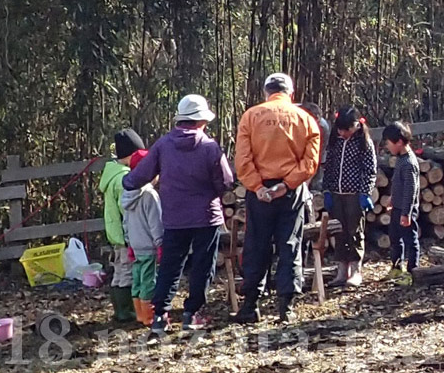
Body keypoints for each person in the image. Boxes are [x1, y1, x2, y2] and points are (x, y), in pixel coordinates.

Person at [125, 94, 235, 336]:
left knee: (170, 267)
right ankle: (191, 313)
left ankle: (160, 316)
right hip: (206, 216)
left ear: (180, 120)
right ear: (201, 121)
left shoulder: (163, 145)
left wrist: (126, 180)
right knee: (202, 266)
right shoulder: (210, 147)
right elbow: (226, 181)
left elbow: (139, 176)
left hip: (174, 218)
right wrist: (214, 191)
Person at [232, 73, 323, 325]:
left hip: (259, 193)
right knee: (290, 245)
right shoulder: (306, 119)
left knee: (256, 246)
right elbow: (310, 162)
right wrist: (287, 185)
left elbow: (242, 160)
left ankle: (251, 305)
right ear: (290, 94)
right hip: (291, 193)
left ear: (266, 92)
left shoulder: (251, 116)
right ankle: (287, 307)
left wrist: (257, 186)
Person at [320, 107, 376, 288]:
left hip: (354, 195)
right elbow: (329, 166)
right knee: (339, 232)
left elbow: (369, 170)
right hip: (336, 193)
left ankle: (356, 269)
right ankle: (341, 270)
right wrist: (326, 190)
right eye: (340, 129)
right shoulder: (335, 141)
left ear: (357, 126)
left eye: (346, 129)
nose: (342, 133)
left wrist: (365, 192)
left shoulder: (364, 143)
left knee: (354, 232)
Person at [100, 129, 147, 323]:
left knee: (119, 270)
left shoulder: (111, 173)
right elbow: (127, 208)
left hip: (115, 233)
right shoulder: (122, 180)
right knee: (126, 270)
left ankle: (119, 308)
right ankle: (126, 309)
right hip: (125, 233)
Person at [120, 167, 164, 327]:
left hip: (136, 244)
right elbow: (155, 222)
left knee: (137, 278)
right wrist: (160, 243)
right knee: (148, 281)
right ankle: (148, 316)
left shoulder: (127, 195)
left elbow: (125, 222)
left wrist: (129, 243)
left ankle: (139, 313)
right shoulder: (149, 195)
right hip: (148, 245)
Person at [383, 121, 420, 286]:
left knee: (410, 241)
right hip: (397, 207)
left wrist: (406, 213)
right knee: (395, 238)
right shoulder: (400, 159)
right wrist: (392, 197)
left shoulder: (409, 163)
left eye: (388, 143)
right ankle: (397, 266)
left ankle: (413, 272)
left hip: (406, 209)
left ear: (398, 142)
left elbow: (410, 191)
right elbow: (398, 183)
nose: (387, 146)